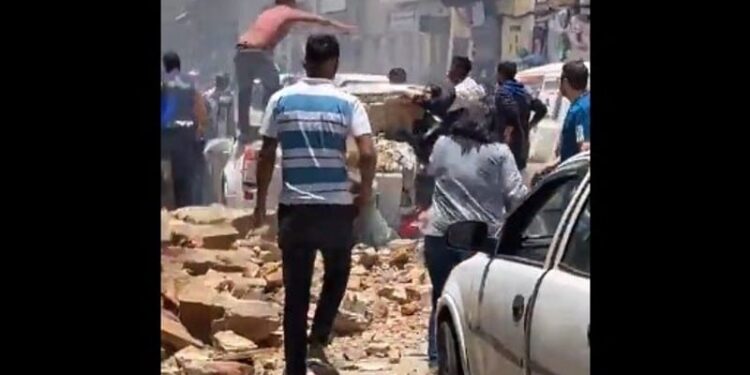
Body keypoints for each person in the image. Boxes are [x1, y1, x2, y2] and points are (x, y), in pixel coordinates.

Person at [253, 34, 376, 375]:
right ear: (335, 63)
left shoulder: (280, 100)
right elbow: (367, 153)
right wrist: (364, 192)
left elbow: (265, 155)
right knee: (338, 273)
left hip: (296, 210)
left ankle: (294, 368)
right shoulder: (348, 102)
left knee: (295, 294)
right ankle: (318, 338)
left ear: (305, 62)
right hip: (336, 208)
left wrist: (260, 204)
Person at [421, 108, 528, 369]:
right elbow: (516, 196)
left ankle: (438, 358)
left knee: (441, 295)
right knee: (481, 303)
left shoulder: (443, 144)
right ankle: (478, 359)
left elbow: (430, 171)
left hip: (439, 235)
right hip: (481, 238)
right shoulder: (500, 152)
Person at [235, 0, 355, 143]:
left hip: (241, 50)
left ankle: (244, 132)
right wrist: (343, 28)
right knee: (273, 89)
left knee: (244, 92)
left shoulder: (267, 12)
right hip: (260, 51)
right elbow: (319, 19)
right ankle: (268, 128)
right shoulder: (288, 11)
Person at [161, 51, 208, 209]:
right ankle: (183, 210)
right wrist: (200, 129)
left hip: (166, 135)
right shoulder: (190, 83)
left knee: (166, 177)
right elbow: (200, 109)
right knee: (184, 179)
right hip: (186, 135)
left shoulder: (163, 81)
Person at [496, 61, 548, 172]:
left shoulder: (502, 92)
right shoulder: (524, 92)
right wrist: (529, 125)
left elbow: (510, 113)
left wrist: (508, 131)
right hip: (522, 144)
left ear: (500, 74)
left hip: (505, 144)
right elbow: (542, 109)